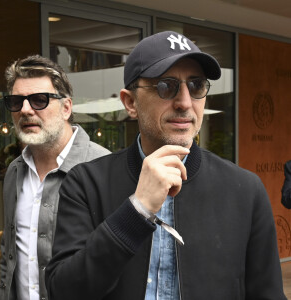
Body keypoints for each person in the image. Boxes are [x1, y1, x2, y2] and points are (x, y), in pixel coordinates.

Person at [45, 31, 286, 299]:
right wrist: (136, 211)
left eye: (196, 86)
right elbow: (64, 290)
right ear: (130, 103)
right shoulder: (86, 183)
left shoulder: (246, 190)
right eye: (165, 86)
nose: (185, 103)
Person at [0, 55, 110, 300]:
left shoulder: (104, 169)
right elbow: (9, 256)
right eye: (17, 101)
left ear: (66, 108)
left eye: (39, 100)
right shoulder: (15, 172)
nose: (25, 110)